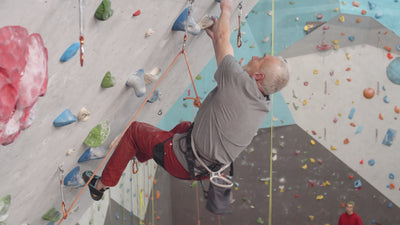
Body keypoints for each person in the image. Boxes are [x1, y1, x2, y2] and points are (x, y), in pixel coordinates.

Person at [83, 0, 289, 201]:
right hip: (202, 168)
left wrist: (226, 8)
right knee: (184, 126)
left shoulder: (240, 84)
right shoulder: (263, 102)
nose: (254, 58)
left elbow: (224, 40)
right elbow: (222, 44)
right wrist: (216, 38)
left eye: (260, 60)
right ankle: (139, 153)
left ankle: (100, 186)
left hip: (181, 160)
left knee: (135, 131)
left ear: (259, 77)